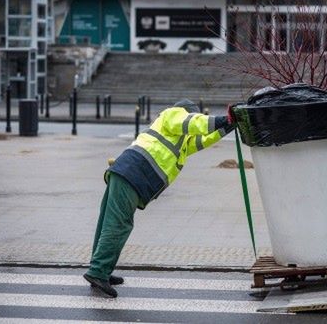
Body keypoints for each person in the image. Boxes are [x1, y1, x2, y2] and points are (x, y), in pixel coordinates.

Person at [84, 99, 234, 297]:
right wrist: (224, 118)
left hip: (126, 173)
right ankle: (98, 272)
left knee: (108, 222)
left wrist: (229, 126)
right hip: (133, 173)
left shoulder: (182, 142)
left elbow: (204, 139)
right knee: (119, 224)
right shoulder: (172, 115)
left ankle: (101, 269)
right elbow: (194, 123)